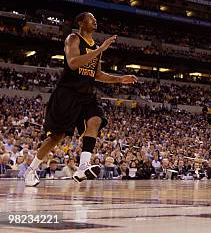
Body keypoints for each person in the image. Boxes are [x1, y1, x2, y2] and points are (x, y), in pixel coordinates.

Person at [23, 12, 137, 187]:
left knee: (96, 120)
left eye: (95, 18)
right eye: (91, 18)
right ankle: (31, 170)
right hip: (67, 93)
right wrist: (100, 50)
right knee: (56, 136)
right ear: (81, 23)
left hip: (86, 95)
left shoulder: (96, 47)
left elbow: (97, 74)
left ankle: (83, 167)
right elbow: (73, 63)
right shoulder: (73, 39)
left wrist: (119, 79)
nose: (95, 20)